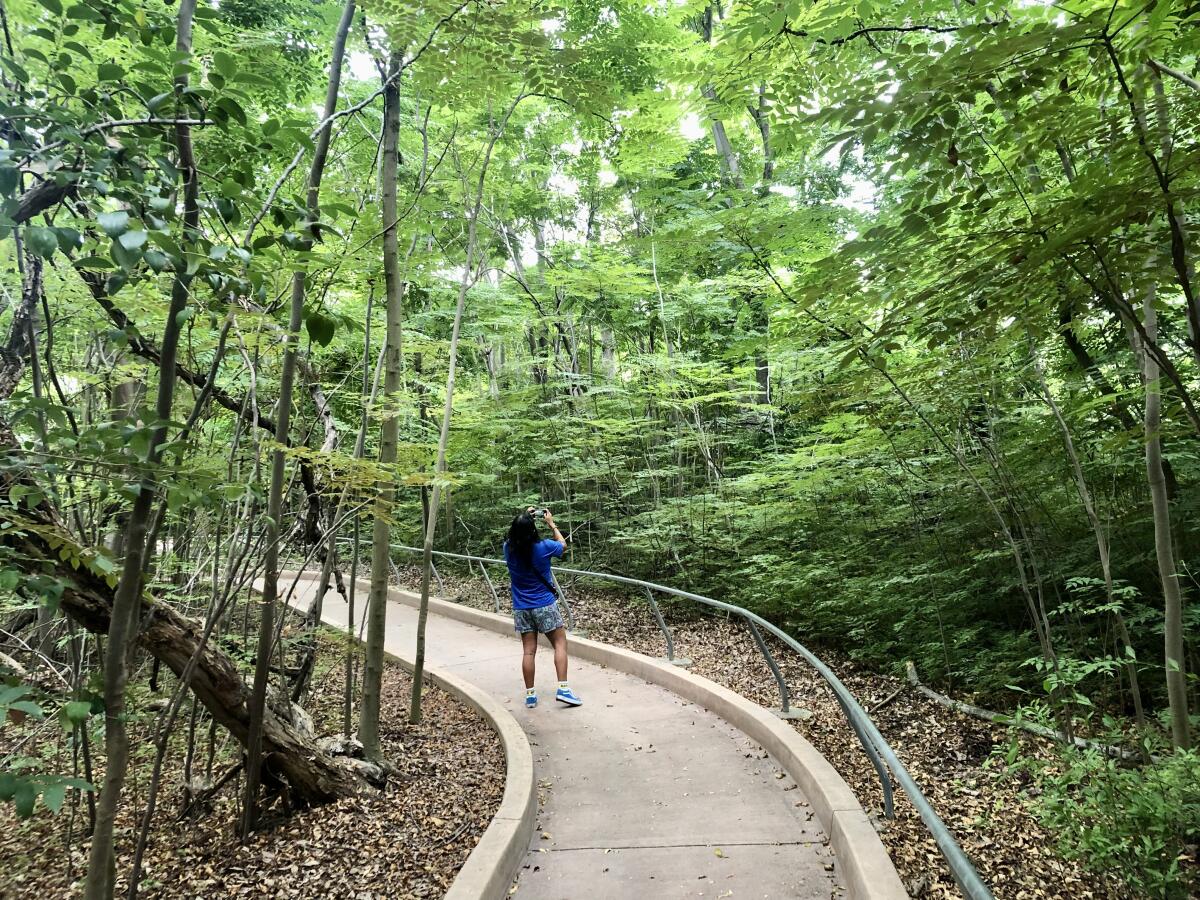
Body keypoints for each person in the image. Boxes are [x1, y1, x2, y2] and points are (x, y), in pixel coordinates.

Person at [504, 507, 582, 709]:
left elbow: (516, 534)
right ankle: (563, 689)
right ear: (532, 529)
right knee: (560, 644)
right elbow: (563, 545)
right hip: (545, 605)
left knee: (528, 651)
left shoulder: (508, 548)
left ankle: (530, 695)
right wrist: (551, 524)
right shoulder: (544, 547)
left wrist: (524, 516)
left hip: (522, 608)